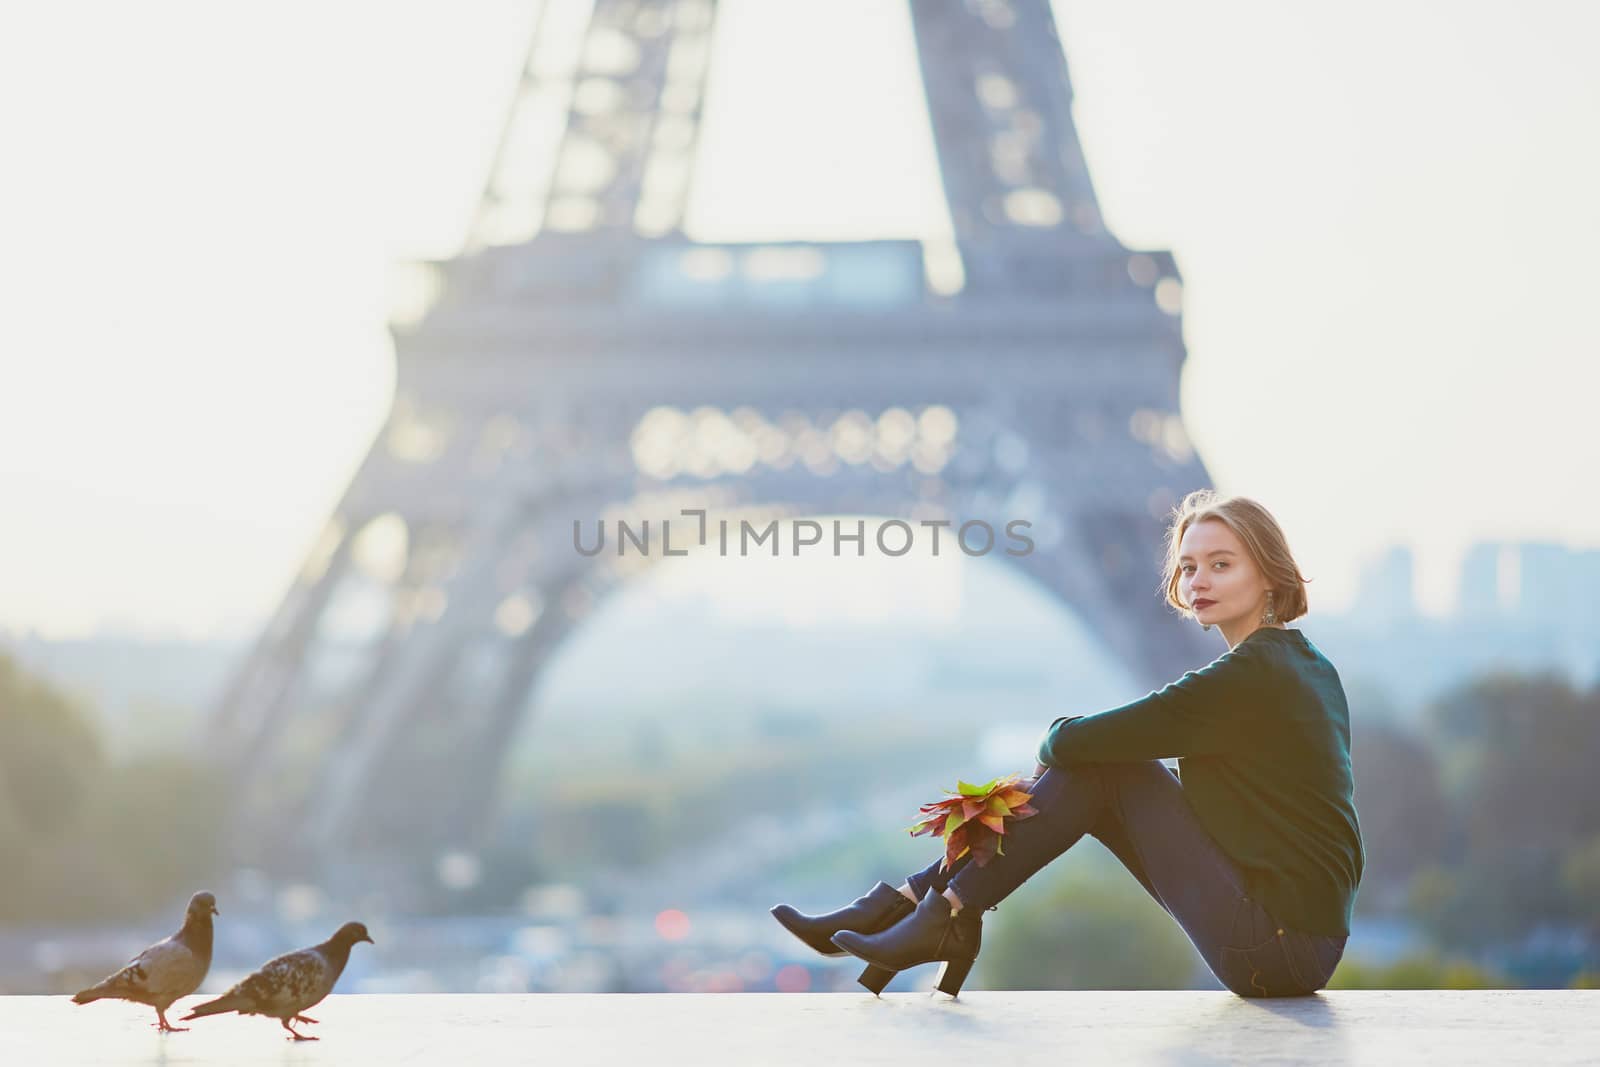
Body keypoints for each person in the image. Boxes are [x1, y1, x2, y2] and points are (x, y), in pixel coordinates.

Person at [771, 489, 1365, 998]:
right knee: (1099, 773)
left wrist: (1054, 749)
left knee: (1102, 768)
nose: (1198, 580)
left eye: (1221, 564)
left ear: (1270, 573)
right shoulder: (1302, 664)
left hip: (1277, 951)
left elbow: (1075, 741)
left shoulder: (1249, 675)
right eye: (1188, 567)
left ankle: (930, 910)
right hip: (1296, 941)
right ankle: (926, 906)